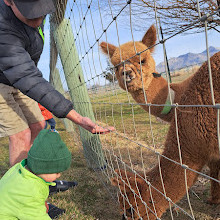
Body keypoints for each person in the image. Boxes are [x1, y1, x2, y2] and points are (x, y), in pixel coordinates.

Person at [0, 0, 114, 167]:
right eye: (30, 13)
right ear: (8, 1)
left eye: (42, 11)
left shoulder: (31, 18)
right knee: (21, 134)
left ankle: (37, 177)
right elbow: (25, 75)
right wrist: (78, 118)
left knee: (39, 125)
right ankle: (21, 190)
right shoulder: (3, 30)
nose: (38, 20)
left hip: (17, 78)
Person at [0, 129, 72, 219]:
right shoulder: (30, 192)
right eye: (56, 172)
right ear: (42, 168)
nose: (59, 175)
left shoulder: (19, 168)